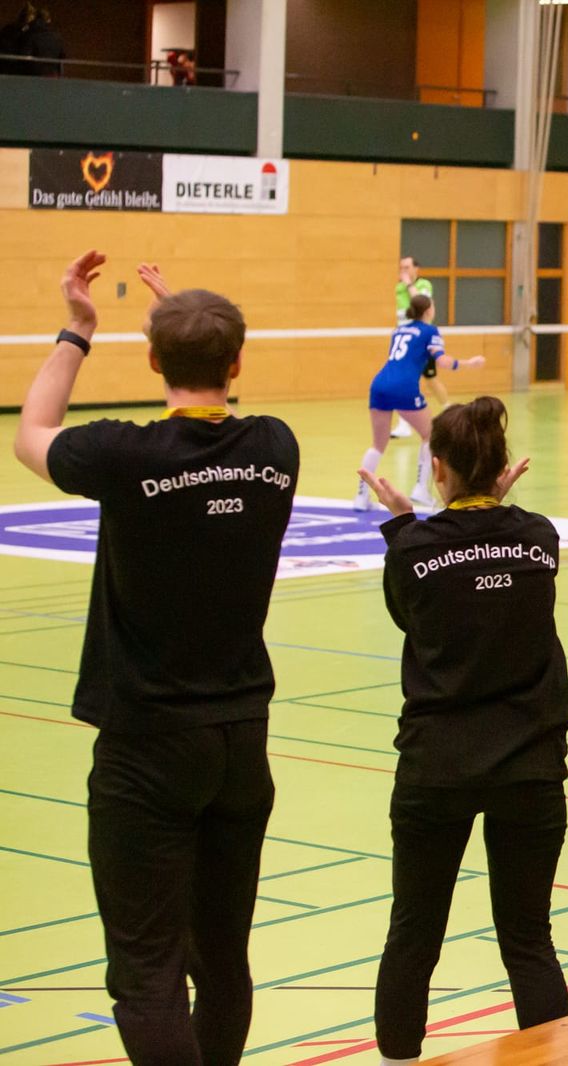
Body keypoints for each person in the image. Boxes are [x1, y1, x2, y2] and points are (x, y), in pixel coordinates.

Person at [13, 253, 298, 1065]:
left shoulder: (122, 456)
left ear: (150, 361)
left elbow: (31, 432)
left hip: (147, 747)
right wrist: (187, 315)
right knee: (222, 958)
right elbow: (217, 397)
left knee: (146, 972)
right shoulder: (276, 449)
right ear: (236, 362)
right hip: (241, 741)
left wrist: (78, 328)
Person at [357, 398, 568, 1066]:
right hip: (529, 766)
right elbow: (501, 549)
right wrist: (493, 504)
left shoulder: (415, 547)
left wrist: (401, 528)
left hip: (436, 767)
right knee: (529, 939)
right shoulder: (537, 537)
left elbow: (410, 615)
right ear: (503, 468)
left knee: (413, 936)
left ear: (437, 468)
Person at [354, 294, 485, 511]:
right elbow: (441, 360)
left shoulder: (399, 330)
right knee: (431, 435)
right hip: (404, 387)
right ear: (427, 310)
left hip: (379, 383)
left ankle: (361, 496)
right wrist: (468, 364)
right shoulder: (429, 331)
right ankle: (421, 489)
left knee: (378, 445)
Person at [391, 256, 438, 439]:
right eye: (401, 267)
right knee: (403, 380)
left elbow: (421, 303)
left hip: (420, 339)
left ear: (416, 268)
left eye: (407, 267)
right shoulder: (398, 288)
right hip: (404, 337)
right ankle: (406, 423)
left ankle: (429, 419)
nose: (403, 270)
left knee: (416, 380)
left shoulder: (424, 285)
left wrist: (409, 284)